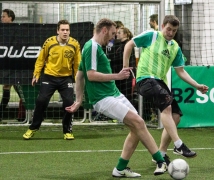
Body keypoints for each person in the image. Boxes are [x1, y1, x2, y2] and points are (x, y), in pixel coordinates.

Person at [65, 18, 167, 178]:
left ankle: (120, 169)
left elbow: (79, 76)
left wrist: (78, 100)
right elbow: (90, 76)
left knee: (137, 127)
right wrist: (118, 76)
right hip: (103, 98)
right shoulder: (91, 47)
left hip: (113, 94)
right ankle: (161, 160)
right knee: (139, 123)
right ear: (104, 30)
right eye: (112, 34)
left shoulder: (95, 47)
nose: (112, 37)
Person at [123, 15, 209, 165]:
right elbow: (129, 44)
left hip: (160, 83)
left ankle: (162, 153)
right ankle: (179, 145)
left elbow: (180, 71)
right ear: (162, 26)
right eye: (168, 29)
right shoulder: (152, 35)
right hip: (146, 79)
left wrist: (196, 85)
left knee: (176, 115)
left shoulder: (175, 47)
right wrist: (125, 66)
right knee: (167, 107)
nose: (170, 33)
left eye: (174, 31)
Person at [22, 19, 81, 140]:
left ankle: (67, 131)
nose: (65, 32)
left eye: (67, 30)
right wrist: (36, 75)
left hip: (66, 79)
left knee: (69, 103)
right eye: (63, 30)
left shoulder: (74, 44)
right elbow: (40, 60)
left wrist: (77, 81)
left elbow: (77, 64)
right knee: (41, 101)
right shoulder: (49, 42)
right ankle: (33, 128)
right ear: (57, 31)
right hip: (49, 76)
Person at [0, 9, 26, 122]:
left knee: (15, 86)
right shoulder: (3, 31)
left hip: (16, 64)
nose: (2, 18)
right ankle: (23, 114)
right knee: (10, 87)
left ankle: (25, 114)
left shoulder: (17, 30)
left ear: (10, 17)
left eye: (4, 16)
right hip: (6, 63)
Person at [110, 27, 136, 107]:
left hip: (127, 74)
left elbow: (120, 58)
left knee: (126, 94)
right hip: (118, 73)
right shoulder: (117, 44)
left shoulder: (128, 44)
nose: (117, 34)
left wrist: (111, 59)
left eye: (119, 33)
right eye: (116, 33)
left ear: (125, 34)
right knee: (119, 93)